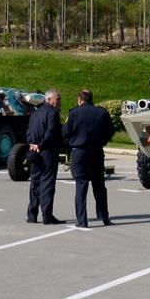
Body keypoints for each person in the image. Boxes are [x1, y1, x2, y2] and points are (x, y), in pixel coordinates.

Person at [62, 89, 114, 228]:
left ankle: (82, 220)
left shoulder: (74, 113)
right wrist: (102, 141)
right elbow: (110, 131)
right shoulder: (102, 112)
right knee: (99, 186)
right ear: (91, 99)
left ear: (80, 99)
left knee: (81, 185)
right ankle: (104, 217)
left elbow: (66, 132)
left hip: (79, 151)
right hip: (96, 151)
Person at [25, 89, 64, 224]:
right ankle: (47, 215)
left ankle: (32, 215)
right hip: (47, 152)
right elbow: (51, 132)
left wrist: (32, 145)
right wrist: (41, 145)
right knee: (47, 184)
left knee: (35, 182)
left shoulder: (35, 113)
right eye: (57, 99)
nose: (59, 102)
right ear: (49, 99)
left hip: (35, 151)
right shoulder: (52, 113)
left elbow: (29, 131)